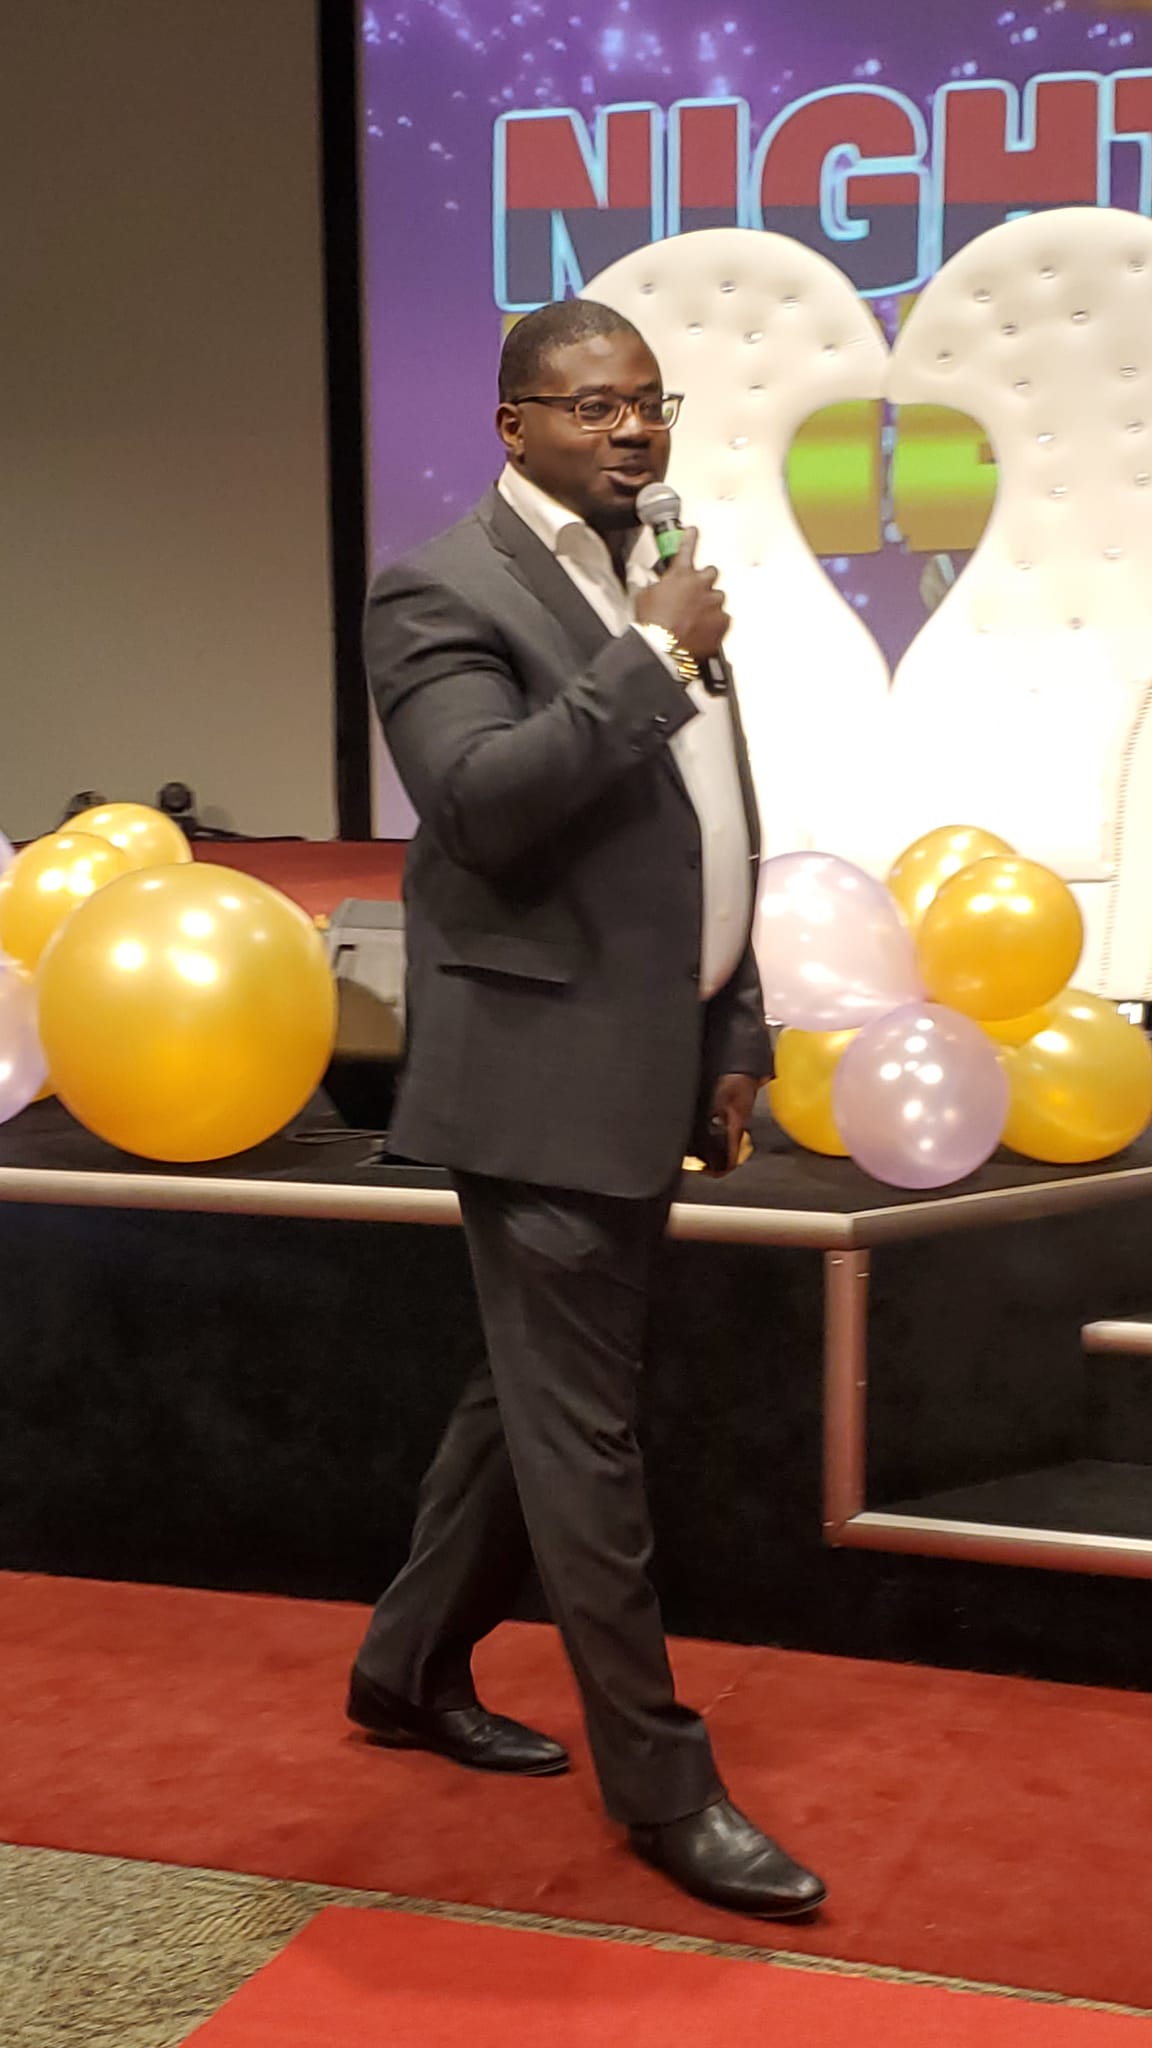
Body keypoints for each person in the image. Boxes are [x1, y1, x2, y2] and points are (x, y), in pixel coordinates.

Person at [350, 299, 826, 1920]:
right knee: (583, 1439)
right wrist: (658, 653)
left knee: (528, 1396)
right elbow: (483, 804)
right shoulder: (442, 587)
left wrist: (735, 1023)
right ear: (514, 425)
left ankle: (406, 1666)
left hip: (652, 1052)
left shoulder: (653, 568)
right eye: (592, 407)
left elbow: (711, 816)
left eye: (649, 403)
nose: (632, 430)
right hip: (537, 1074)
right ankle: (665, 1787)